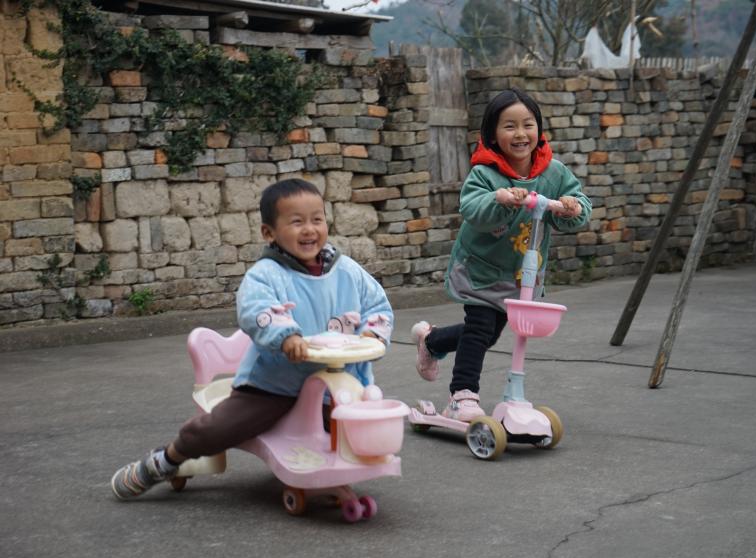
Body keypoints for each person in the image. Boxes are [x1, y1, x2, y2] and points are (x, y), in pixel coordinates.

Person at [111, 178, 393, 499]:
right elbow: (255, 309)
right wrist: (286, 336)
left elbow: (377, 305)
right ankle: (167, 459)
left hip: (335, 381)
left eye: (317, 219)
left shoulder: (347, 271)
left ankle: (329, 472)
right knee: (221, 428)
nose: (309, 230)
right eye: (297, 222)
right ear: (269, 232)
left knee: (360, 421)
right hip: (275, 384)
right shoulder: (266, 275)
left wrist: (372, 333)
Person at [411, 88, 592, 422]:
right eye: (509, 126)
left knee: (488, 334)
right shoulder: (485, 172)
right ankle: (462, 395)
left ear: (539, 129)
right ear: (493, 134)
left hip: (519, 274)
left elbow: (579, 203)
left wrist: (573, 207)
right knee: (480, 328)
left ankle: (433, 340)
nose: (520, 134)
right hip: (481, 268)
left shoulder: (554, 172)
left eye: (527, 124)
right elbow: (471, 208)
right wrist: (499, 199)